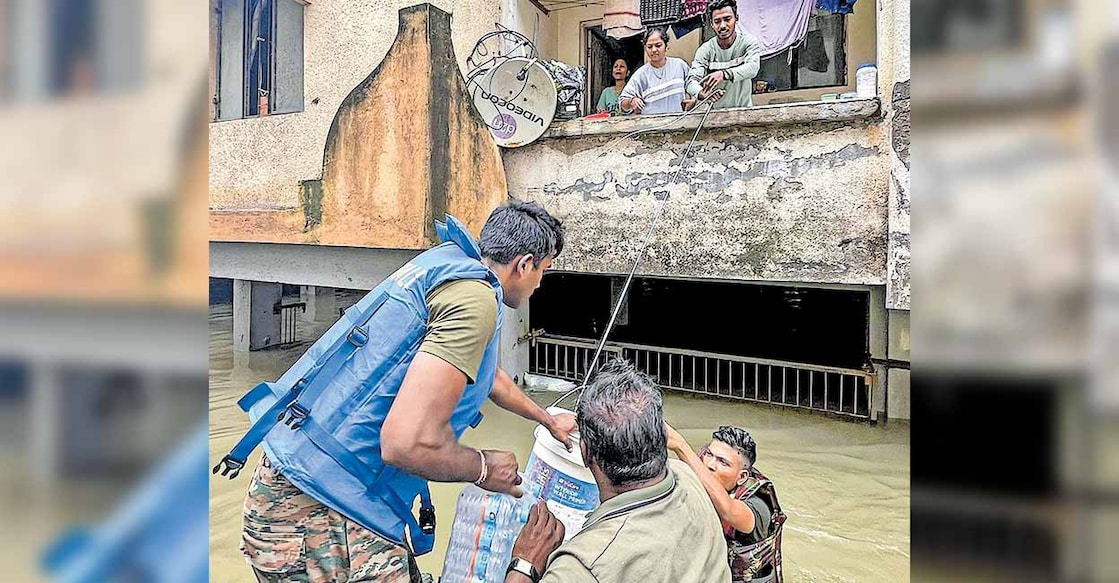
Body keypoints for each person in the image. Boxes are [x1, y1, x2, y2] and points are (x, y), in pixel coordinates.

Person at [231, 201, 576, 582]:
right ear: (524, 264)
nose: (541, 282)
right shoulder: (475, 300)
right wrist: (482, 467)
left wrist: (546, 419)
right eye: (543, 270)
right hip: (325, 513)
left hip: (285, 481)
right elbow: (404, 445)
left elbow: (486, 376)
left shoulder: (445, 267)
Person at [504, 361, 732, 583]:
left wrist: (525, 564)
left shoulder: (583, 565)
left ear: (585, 454)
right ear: (663, 436)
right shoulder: (687, 478)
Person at [665, 424, 786, 583]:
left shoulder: (759, 505)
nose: (710, 465)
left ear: (741, 477)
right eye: (709, 454)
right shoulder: (704, 467)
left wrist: (680, 445)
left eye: (723, 462)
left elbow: (728, 510)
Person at [686, 0, 761, 110]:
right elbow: (691, 81)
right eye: (717, 21)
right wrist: (702, 94)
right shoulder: (705, 50)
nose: (722, 25)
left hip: (744, 113)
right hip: (713, 116)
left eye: (727, 19)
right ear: (711, 24)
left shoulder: (748, 42)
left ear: (736, 18)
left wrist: (724, 74)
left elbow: (753, 68)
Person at [619, 27, 691, 115]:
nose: (654, 50)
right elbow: (622, 103)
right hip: (651, 126)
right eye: (649, 47)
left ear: (666, 46)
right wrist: (632, 101)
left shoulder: (680, 65)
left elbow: (694, 88)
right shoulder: (641, 74)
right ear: (645, 49)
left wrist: (693, 100)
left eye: (658, 45)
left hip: (679, 124)